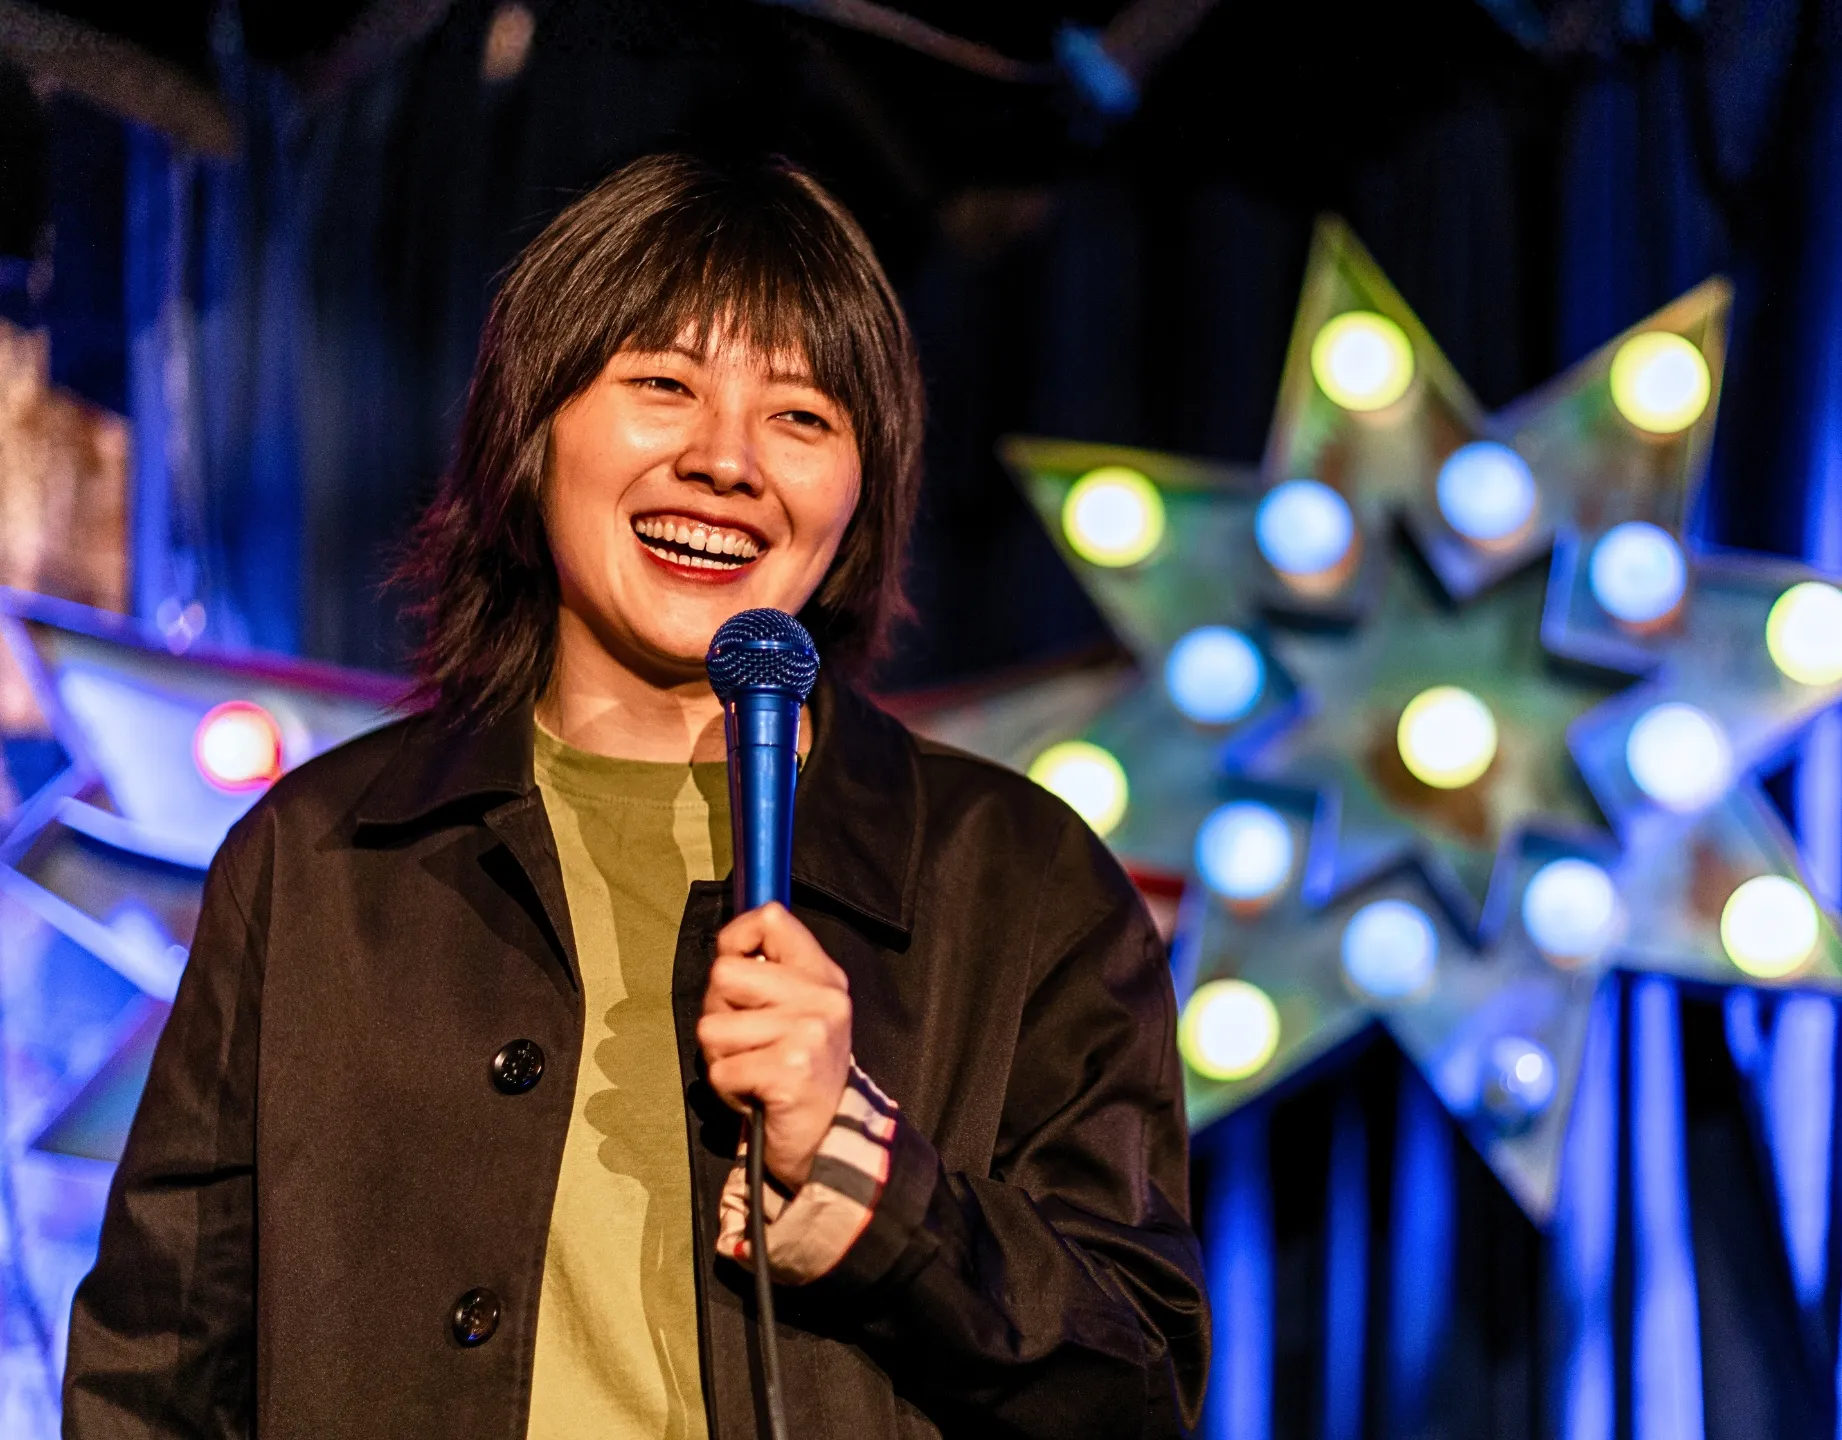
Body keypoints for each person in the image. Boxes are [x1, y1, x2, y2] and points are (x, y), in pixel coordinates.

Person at [63, 152, 1209, 1439]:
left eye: (802, 417)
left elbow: (1135, 1388)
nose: (725, 461)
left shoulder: (1020, 883)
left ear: (860, 492)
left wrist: (876, 1187)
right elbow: (155, 1371)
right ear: (532, 425)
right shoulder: (321, 855)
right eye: (663, 385)